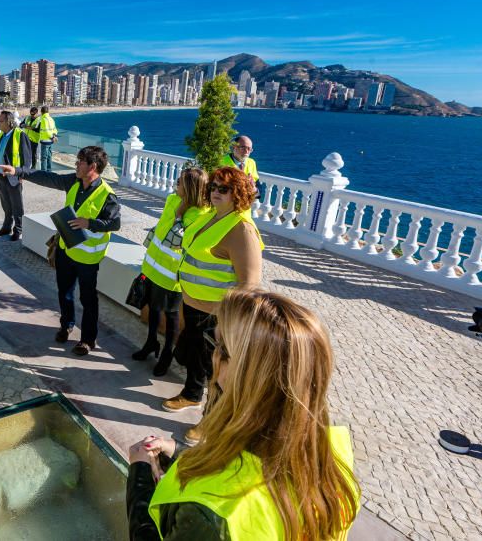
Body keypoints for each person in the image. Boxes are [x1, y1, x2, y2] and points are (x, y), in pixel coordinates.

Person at [127, 289, 360, 541]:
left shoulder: (213, 514)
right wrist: (179, 452)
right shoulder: (332, 459)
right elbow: (251, 467)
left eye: (221, 348)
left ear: (249, 376)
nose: (213, 356)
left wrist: (140, 477)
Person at [162, 166, 263, 419]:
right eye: (213, 187)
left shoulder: (242, 230)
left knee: (216, 371)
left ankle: (211, 421)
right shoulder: (210, 216)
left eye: (224, 189)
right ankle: (192, 394)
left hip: (217, 315)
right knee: (195, 358)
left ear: (238, 193)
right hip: (193, 306)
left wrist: (228, 321)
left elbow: (249, 284)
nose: (216, 192)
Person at [0, 146, 121, 355]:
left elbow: (114, 223)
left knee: (88, 299)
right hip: (66, 250)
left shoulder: (108, 195)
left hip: (87, 259)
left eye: (79, 162)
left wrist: (89, 223)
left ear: (92, 166)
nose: (75, 165)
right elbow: (48, 177)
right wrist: (19, 171)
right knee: (64, 292)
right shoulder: (74, 182)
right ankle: (66, 325)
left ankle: (88, 339)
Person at [132, 167, 210, 376]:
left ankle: (167, 353)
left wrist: (179, 215)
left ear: (191, 188)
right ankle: (150, 344)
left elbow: (180, 239)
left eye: (180, 182)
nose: (175, 184)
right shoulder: (171, 199)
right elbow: (160, 229)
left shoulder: (200, 215)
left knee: (172, 314)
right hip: (153, 267)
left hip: (172, 275)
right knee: (153, 308)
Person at [0, 111, 33, 241]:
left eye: (0, 121)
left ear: (9, 122)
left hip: (13, 177)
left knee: (17, 205)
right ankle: (6, 227)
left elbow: (27, 159)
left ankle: (18, 229)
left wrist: (22, 174)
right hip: (0, 176)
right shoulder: (2, 135)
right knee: (6, 204)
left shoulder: (20, 135)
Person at [37, 105, 58, 171]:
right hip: (50, 141)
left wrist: (52, 137)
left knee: (44, 158)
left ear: (42, 112)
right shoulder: (51, 119)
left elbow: (46, 131)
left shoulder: (43, 119)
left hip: (45, 141)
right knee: (49, 157)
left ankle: (43, 174)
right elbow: (55, 129)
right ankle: (49, 171)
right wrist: (54, 136)